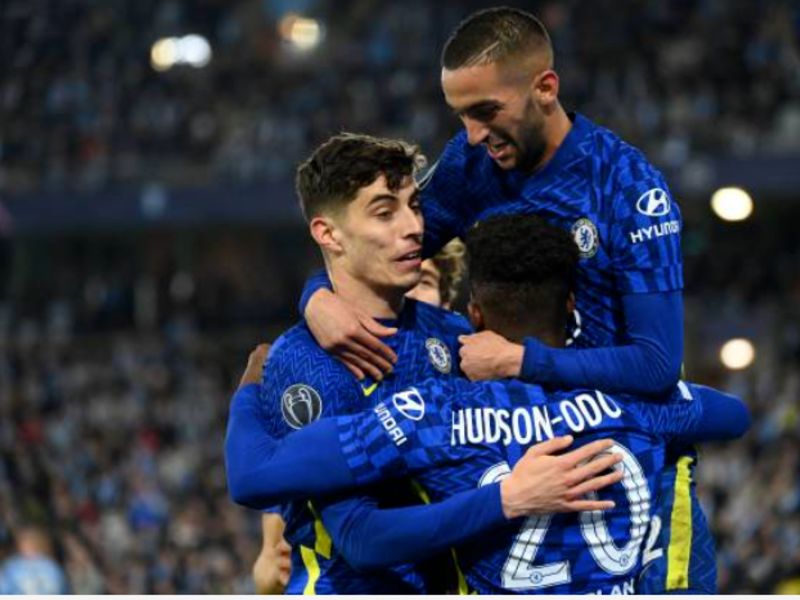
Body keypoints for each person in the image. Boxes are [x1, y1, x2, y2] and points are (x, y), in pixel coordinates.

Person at [299, 7, 714, 592]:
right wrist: (316, 295)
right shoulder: (473, 165)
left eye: (486, 112)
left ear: (545, 88)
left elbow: (656, 364)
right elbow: (386, 251)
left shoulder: (628, 190)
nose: (472, 134)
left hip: (636, 475)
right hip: (514, 462)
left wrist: (521, 360)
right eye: (461, 115)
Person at [226, 214, 751, 594]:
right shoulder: (636, 401)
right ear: (570, 305)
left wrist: (250, 391)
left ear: (473, 314)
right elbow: (733, 415)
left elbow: (255, 478)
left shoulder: (433, 413)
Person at [246, 133, 621, 594]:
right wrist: (508, 499)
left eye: (415, 206)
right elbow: (360, 539)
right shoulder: (306, 360)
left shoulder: (452, 333)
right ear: (328, 234)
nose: (413, 227)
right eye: (385, 212)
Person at [251, 236, 468, 594]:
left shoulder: (468, 380)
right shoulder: (321, 379)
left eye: (424, 281)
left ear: (445, 304)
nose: (407, 293)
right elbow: (273, 562)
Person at [0, 527, 67, 594]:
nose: (27, 546)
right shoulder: (12, 566)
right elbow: (4, 588)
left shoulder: (51, 565)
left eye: (31, 543)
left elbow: (61, 587)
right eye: (24, 543)